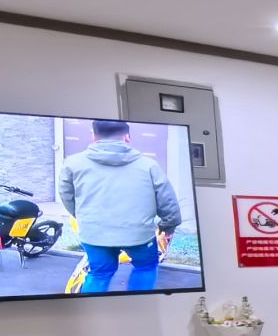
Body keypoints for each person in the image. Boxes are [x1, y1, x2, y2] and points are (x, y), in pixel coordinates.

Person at [56, 119, 183, 293]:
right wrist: (168, 226)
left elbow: (67, 196)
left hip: (94, 233)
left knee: (99, 273)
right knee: (146, 267)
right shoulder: (148, 165)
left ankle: (90, 308)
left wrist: (83, 216)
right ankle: (138, 305)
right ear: (127, 137)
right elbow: (167, 200)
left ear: (94, 137)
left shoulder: (72, 164)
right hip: (139, 235)